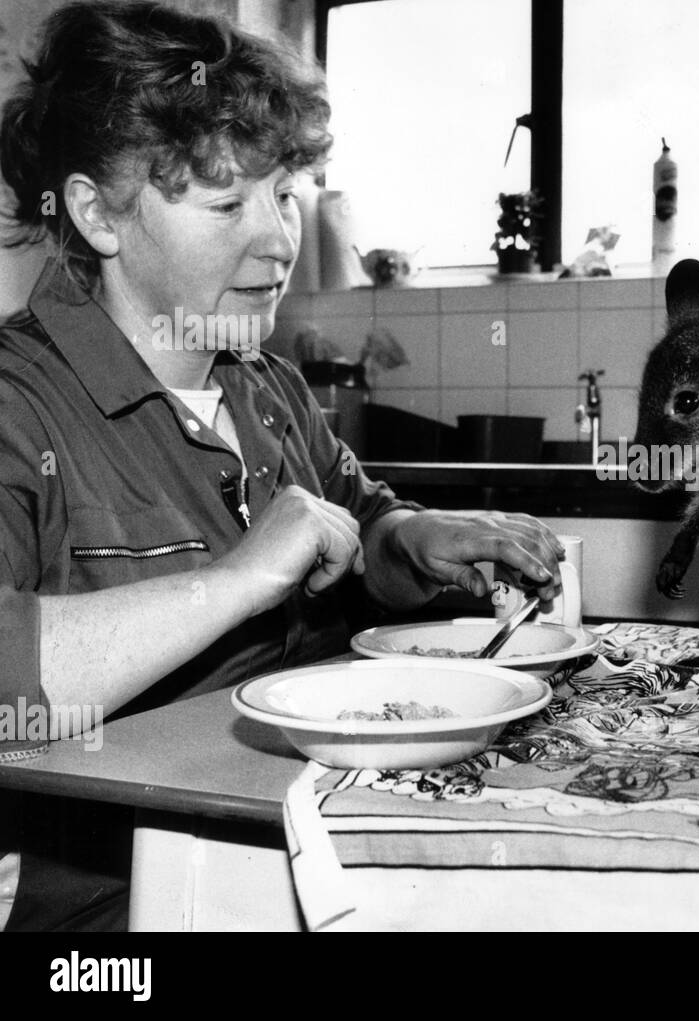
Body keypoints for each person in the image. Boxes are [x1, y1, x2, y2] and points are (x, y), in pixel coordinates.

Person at [0, 0, 563, 930]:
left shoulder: (269, 386)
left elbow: (357, 526)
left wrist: (411, 538)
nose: (278, 240)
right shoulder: (21, 402)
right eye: (227, 203)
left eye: (284, 191)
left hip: (322, 852)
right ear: (98, 212)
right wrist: (237, 579)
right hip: (121, 910)